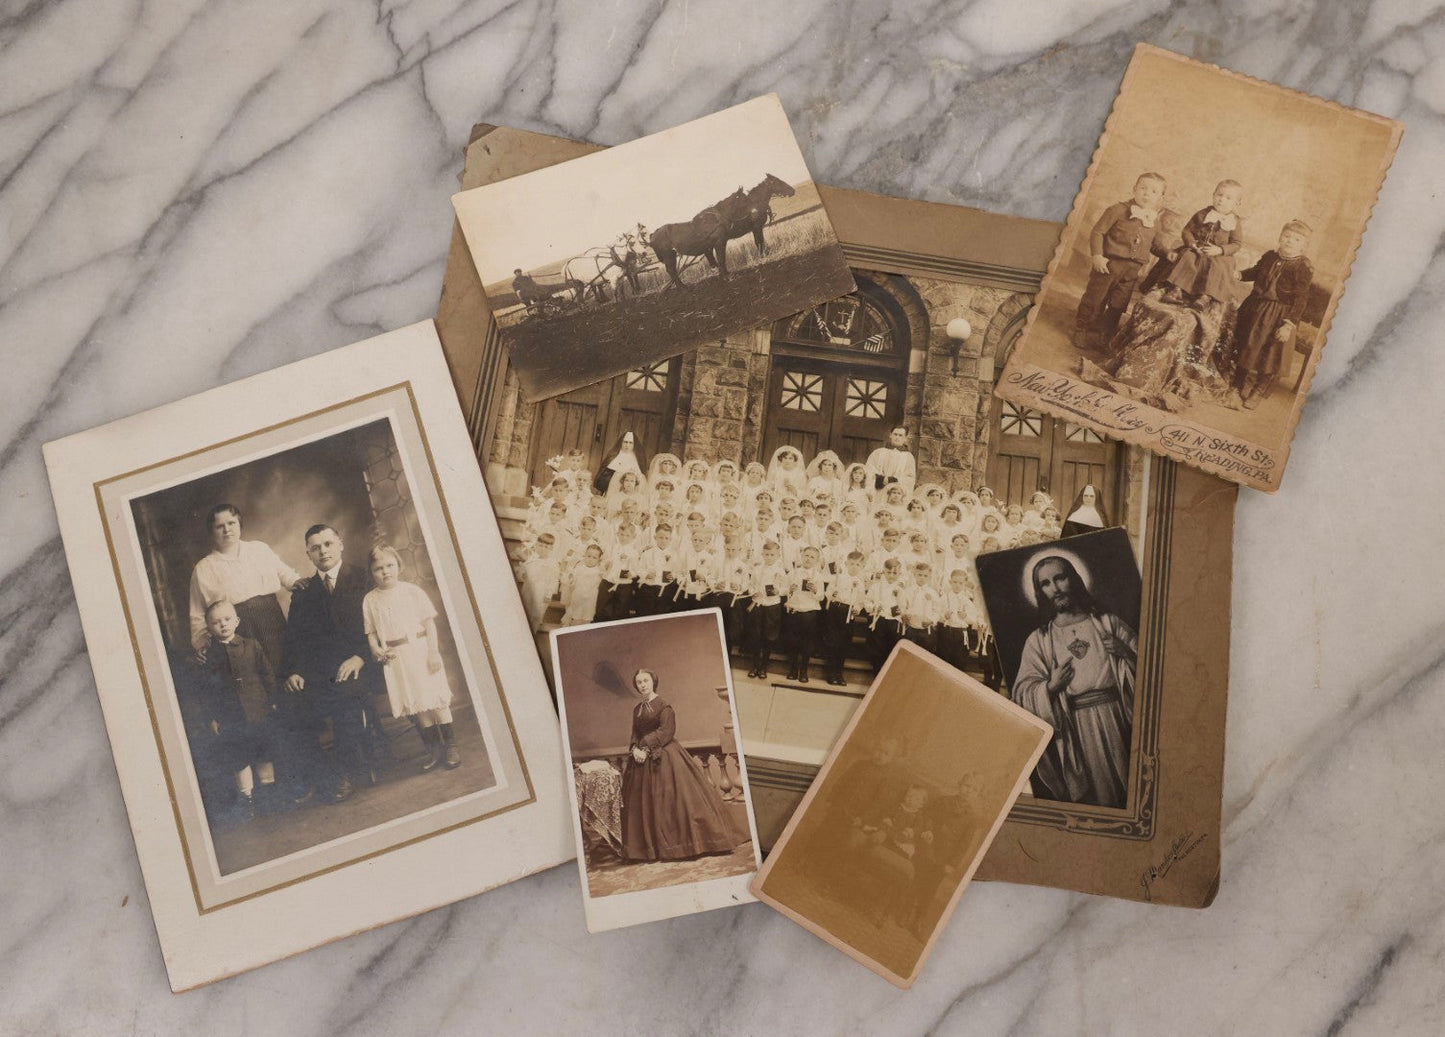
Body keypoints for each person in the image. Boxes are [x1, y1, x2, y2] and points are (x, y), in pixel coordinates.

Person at [1011, 555, 1136, 808]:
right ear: (1040, 591)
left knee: (1131, 787)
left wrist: (1127, 653)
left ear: (1074, 579)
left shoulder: (1107, 623)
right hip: (1076, 728)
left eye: (1060, 578)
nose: (1055, 588)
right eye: (1045, 584)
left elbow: (1156, 670)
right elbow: (1022, 693)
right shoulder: (1040, 640)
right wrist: (1049, 687)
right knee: (1099, 797)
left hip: (1119, 716)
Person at [280, 524, 380, 802]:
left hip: (363, 662)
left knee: (344, 698)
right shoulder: (303, 592)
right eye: (315, 547)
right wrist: (294, 671)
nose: (323, 551)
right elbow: (294, 638)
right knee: (290, 705)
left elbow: (380, 624)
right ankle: (322, 775)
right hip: (319, 670)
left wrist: (360, 656)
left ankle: (345, 774)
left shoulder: (363, 578)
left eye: (327, 544)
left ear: (340, 544)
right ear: (308, 555)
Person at [190, 599, 308, 821]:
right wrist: (213, 718)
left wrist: (272, 700)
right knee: (239, 756)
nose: (223, 625)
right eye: (216, 622)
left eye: (227, 619)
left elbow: (267, 675)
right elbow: (206, 691)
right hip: (230, 717)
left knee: (264, 751)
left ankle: (270, 795)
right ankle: (248, 799)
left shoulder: (251, 645)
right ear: (209, 629)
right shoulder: (208, 656)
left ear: (237, 621)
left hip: (258, 711)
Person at [619, 669, 746, 861]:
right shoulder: (636, 710)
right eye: (639, 682)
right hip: (641, 762)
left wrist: (645, 748)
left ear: (653, 682)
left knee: (675, 801)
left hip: (665, 757)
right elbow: (634, 734)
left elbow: (666, 731)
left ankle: (681, 846)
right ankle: (650, 849)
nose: (643, 685)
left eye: (646, 681)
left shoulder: (664, 706)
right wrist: (635, 749)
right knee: (643, 805)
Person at [362, 545, 461, 772]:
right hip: (396, 658)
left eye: (390, 565)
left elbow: (429, 623)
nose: (385, 571)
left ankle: (451, 746)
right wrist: (376, 649)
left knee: (436, 700)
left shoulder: (412, 591)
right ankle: (434, 749)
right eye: (378, 568)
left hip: (420, 650)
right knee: (417, 704)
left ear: (398, 565)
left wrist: (433, 652)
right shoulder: (370, 599)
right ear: (371, 572)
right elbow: (371, 632)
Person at [187, 504, 300, 672]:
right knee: (252, 677)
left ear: (239, 524)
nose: (227, 530)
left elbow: (284, 573)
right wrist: (202, 644)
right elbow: (197, 614)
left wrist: (296, 582)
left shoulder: (258, 548)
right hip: (235, 628)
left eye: (231, 523)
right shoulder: (204, 568)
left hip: (271, 619)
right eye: (220, 526)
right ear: (212, 531)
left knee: (284, 669)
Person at [1074, 172, 1170, 350]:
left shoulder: (1154, 220)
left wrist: (1168, 253)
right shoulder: (1117, 210)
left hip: (1132, 271)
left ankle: (1104, 335)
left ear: (1161, 198)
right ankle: (1082, 329)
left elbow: (1155, 245)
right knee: (1095, 299)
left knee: (1118, 304)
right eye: (1143, 188)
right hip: (1109, 265)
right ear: (1134, 189)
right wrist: (1097, 255)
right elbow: (1098, 232)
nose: (1147, 194)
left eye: (1154, 191)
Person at [1230, 219, 1315, 409]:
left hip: (1280, 314)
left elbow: (1301, 299)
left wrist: (1288, 324)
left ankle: (1259, 389)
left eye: (1296, 239)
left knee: (1270, 353)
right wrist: (1240, 275)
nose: (1290, 241)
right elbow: (1256, 271)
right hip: (1257, 307)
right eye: (1287, 236)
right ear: (1280, 237)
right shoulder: (1270, 256)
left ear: (1304, 246)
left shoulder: (1303, 267)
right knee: (1247, 345)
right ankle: (1237, 385)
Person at [1148, 179, 1244, 312]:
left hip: (1218, 254)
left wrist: (1220, 250)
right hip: (1197, 248)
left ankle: (1205, 296)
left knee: (1219, 267)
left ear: (1237, 203)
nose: (1221, 200)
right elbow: (1187, 231)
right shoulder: (1203, 214)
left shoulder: (1234, 222)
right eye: (1219, 195)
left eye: (1228, 198)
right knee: (1186, 257)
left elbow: (1236, 243)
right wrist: (1192, 243)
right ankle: (1177, 289)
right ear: (1213, 195)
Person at [865, 425, 917, 494]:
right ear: (890, 435)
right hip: (878, 490)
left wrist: (894, 480)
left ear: (905, 438)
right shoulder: (878, 452)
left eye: (900, 435)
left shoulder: (908, 457)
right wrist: (880, 479)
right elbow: (869, 469)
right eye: (895, 434)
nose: (897, 437)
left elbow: (909, 478)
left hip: (896, 492)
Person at [594, 430, 648, 495]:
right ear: (621, 443)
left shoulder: (638, 459)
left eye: (630, 443)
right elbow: (603, 477)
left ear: (634, 444)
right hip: (612, 490)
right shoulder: (613, 456)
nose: (627, 445)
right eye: (625, 442)